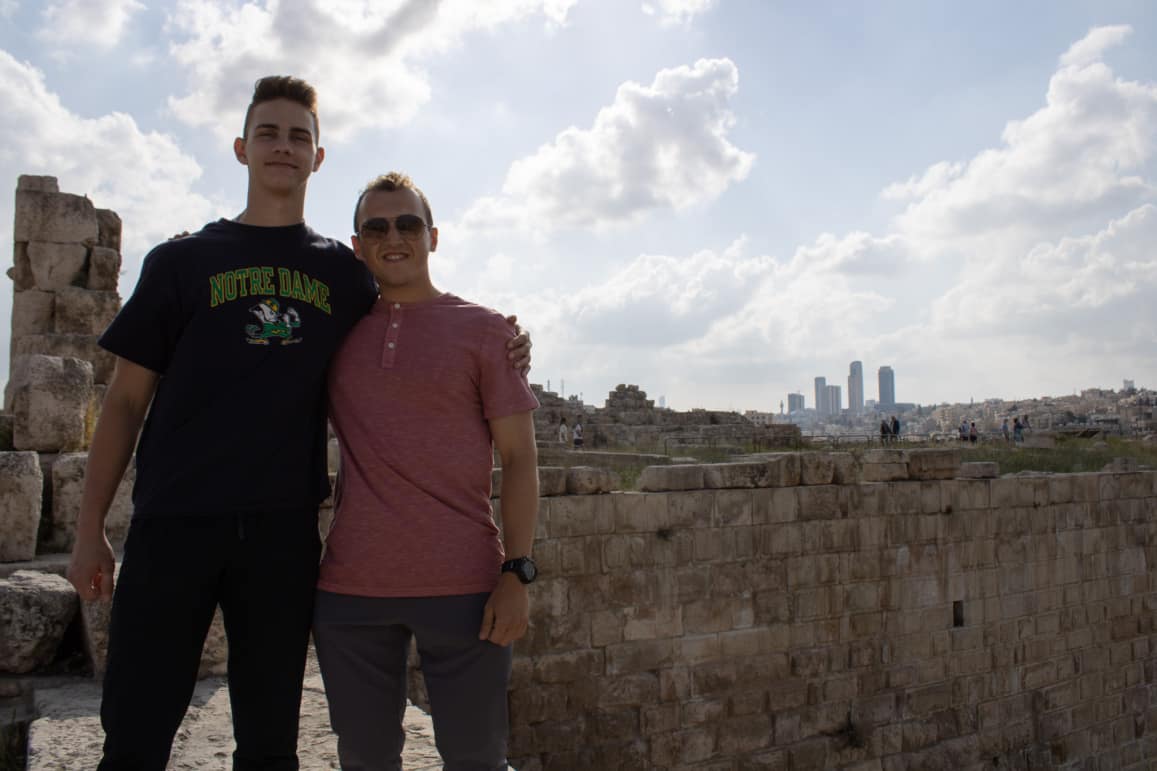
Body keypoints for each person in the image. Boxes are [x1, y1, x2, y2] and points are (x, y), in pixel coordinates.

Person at [64, 77, 531, 771]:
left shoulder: (342, 276)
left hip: (280, 538)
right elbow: (126, 401)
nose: (284, 147)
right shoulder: (181, 262)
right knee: (134, 730)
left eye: (299, 137)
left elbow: (416, 300)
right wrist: (90, 527)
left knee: (269, 741)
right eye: (269, 133)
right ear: (240, 148)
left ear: (317, 157)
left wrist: (508, 339)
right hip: (173, 523)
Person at [312, 172, 539, 770]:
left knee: (475, 758)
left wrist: (518, 571)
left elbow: (519, 459)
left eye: (408, 224)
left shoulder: (487, 332)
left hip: (464, 587)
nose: (395, 237)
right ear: (357, 244)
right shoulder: (331, 331)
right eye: (377, 226)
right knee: (364, 758)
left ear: (432, 237)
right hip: (350, 592)